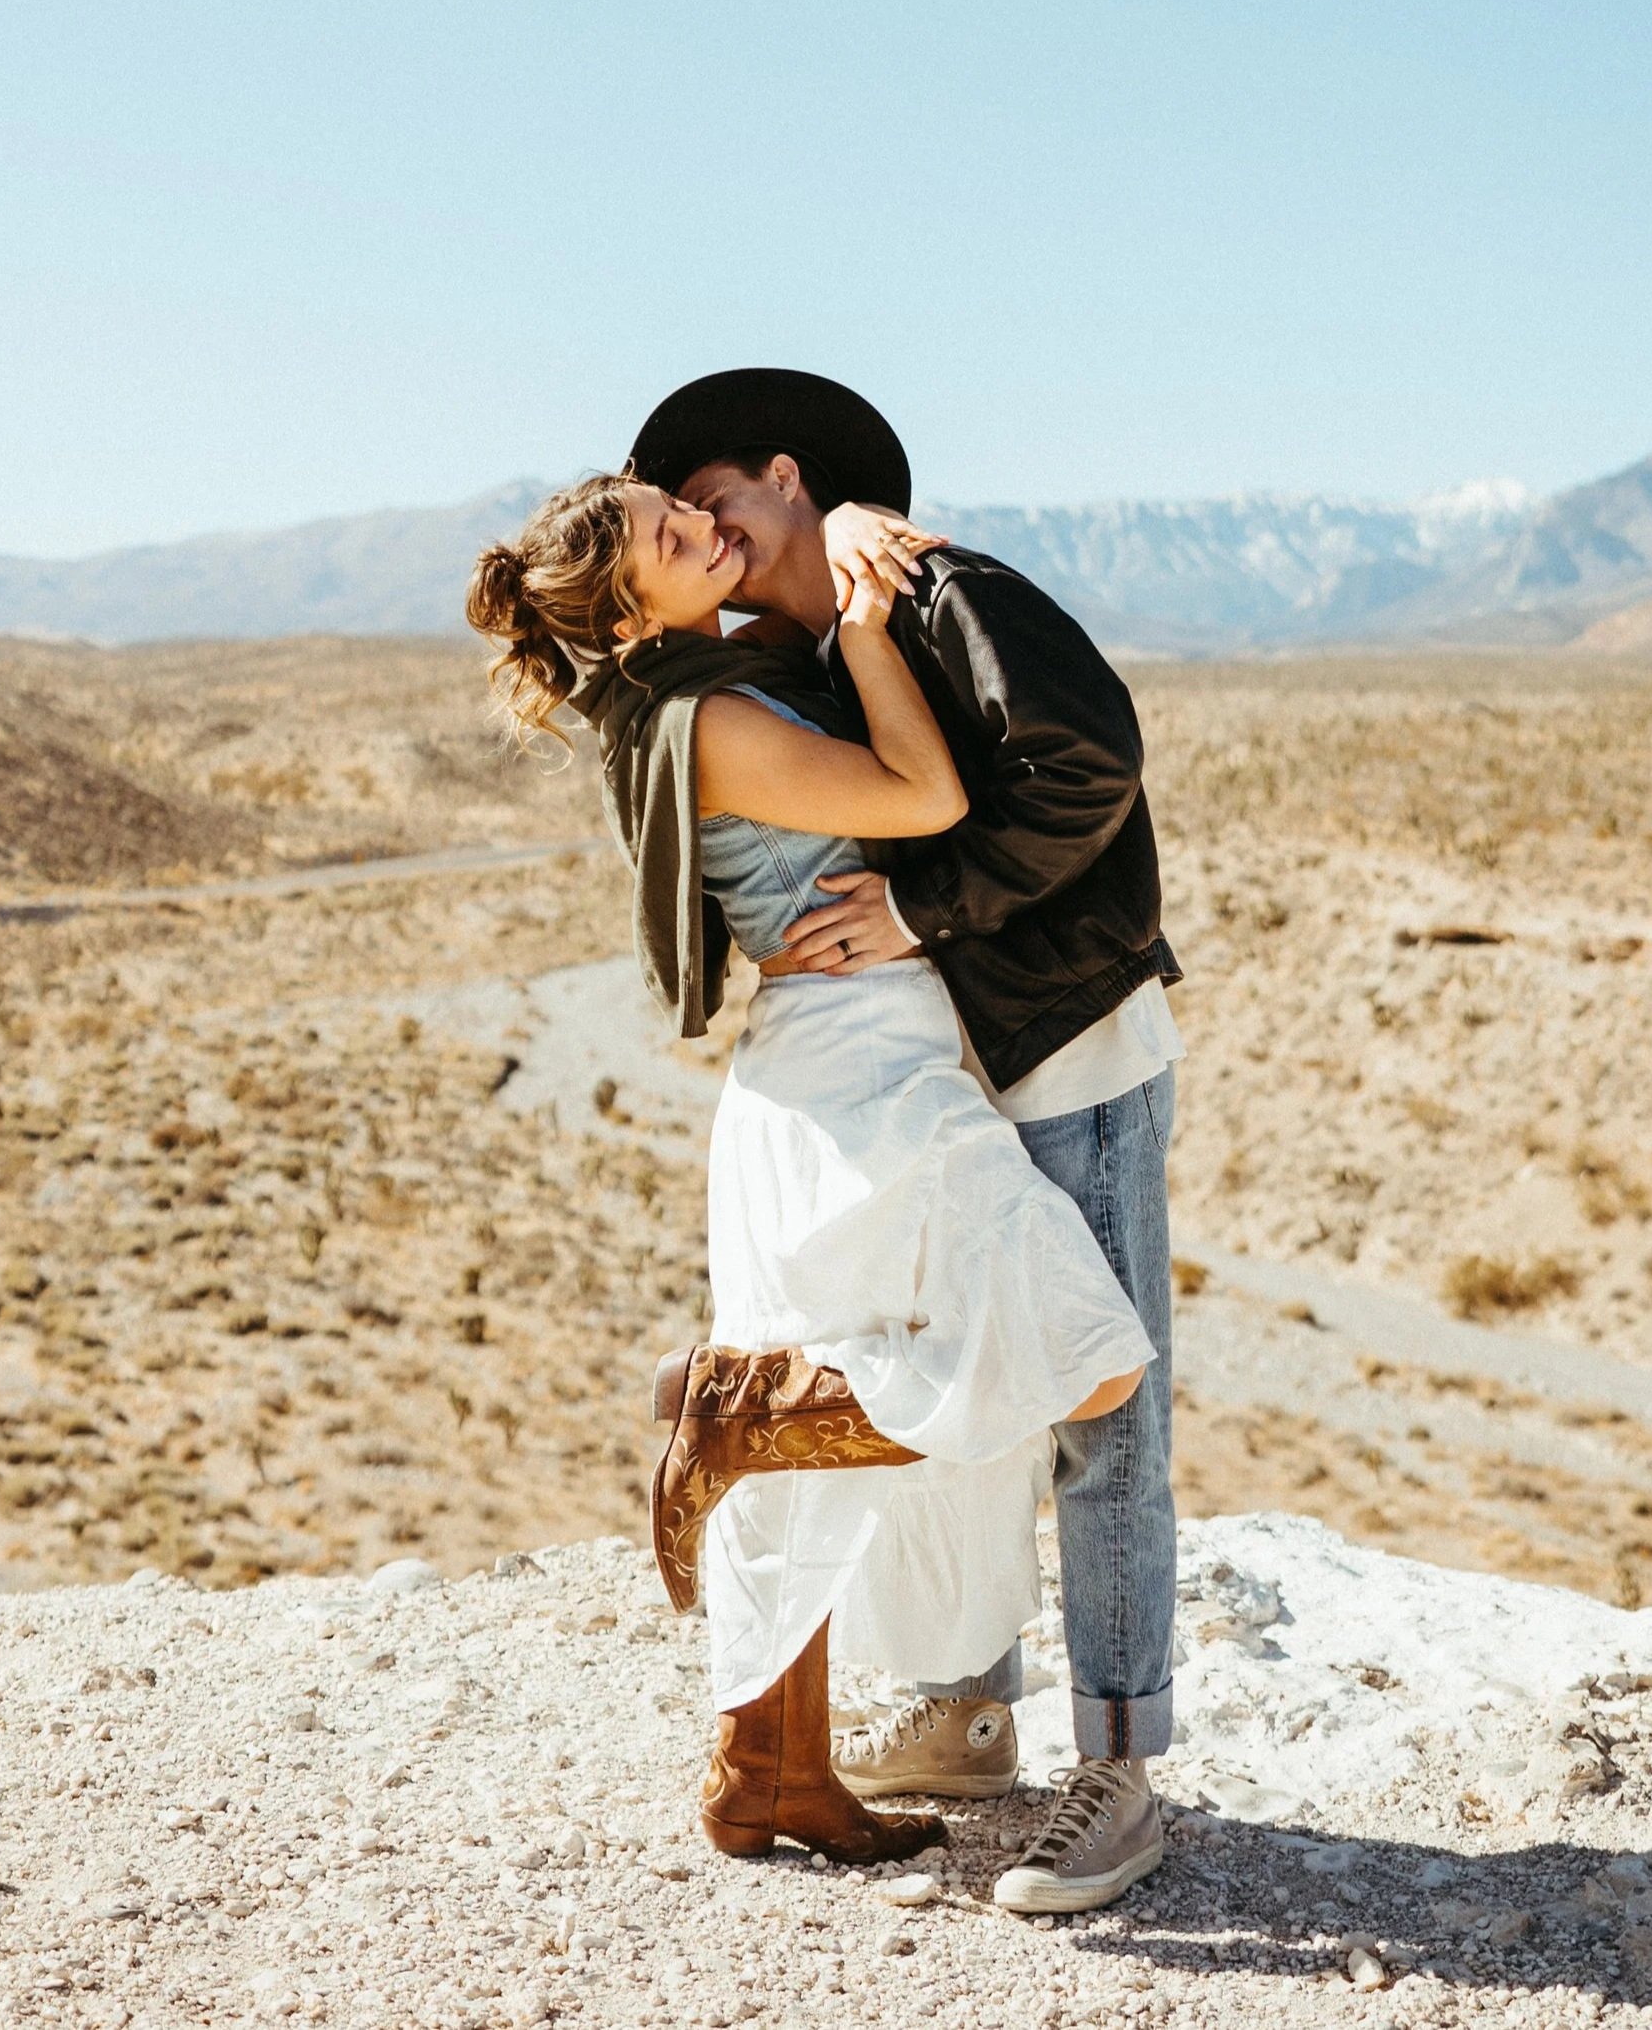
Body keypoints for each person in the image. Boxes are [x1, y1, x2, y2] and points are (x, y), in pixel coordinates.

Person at [463, 472, 1155, 1877]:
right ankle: (740, 1420)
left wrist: (830, 529)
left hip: (827, 1074)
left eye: (692, 510)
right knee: (1091, 1368)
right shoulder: (710, 715)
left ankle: (766, 1773)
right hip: (866, 1079)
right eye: (674, 538)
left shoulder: (690, 689)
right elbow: (929, 792)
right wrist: (865, 633)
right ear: (630, 614)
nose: (705, 533)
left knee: (837, 1455)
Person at [630, 368, 1184, 1918]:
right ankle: (966, 1708)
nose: (708, 530)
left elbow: (1090, 767)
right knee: (979, 1370)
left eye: (717, 496)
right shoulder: (805, 646)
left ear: (790, 477)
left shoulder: (942, 586)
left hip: (1066, 1040)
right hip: (948, 1060)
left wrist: (923, 910)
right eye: (684, 521)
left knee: (1099, 1396)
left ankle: (1123, 1768)